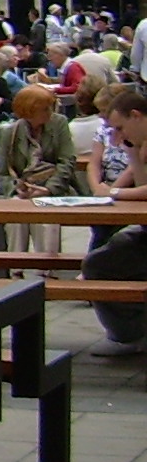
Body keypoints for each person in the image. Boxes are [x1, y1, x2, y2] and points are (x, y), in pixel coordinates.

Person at [78, 90, 147, 356]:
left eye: (120, 128)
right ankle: (128, 334)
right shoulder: (138, 142)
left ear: (137, 116)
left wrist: (114, 193)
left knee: (102, 262)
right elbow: (142, 184)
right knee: (99, 261)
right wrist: (131, 151)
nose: (118, 136)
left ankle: (129, 335)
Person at [1, 84, 80, 271]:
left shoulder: (59, 123)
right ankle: (16, 269)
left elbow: (67, 161)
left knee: (44, 214)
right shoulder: (9, 132)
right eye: (44, 109)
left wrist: (49, 189)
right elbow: (3, 172)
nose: (49, 112)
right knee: (15, 214)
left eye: (51, 107)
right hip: (23, 189)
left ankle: (47, 270)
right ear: (28, 111)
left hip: (51, 187)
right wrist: (17, 188)